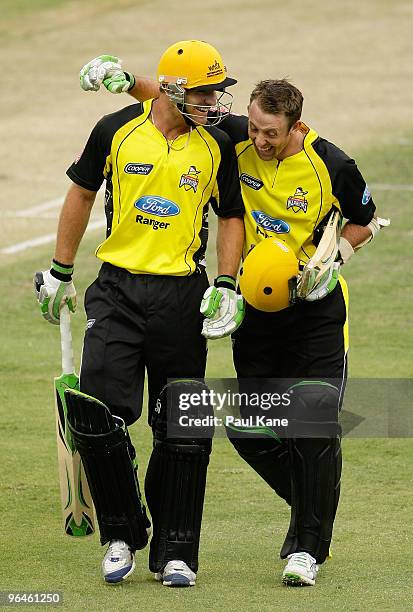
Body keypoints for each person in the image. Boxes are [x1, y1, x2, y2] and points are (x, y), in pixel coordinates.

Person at [80, 60, 388, 586]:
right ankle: (314, 495)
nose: (261, 140)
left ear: (296, 127)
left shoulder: (332, 164)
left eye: (272, 133)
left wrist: (332, 261)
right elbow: (181, 100)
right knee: (249, 430)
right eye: (255, 128)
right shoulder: (236, 136)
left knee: (311, 428)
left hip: (315, 313)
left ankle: (307, 548)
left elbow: (363, 222)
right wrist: (127, 79)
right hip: (255, 315)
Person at [34, 40, 245, 587]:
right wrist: (60, 269)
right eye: (203, 91)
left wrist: (226, 283)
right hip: (118, 291)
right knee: (97, 417)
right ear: (175, 89)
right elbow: (80, 194)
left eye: (217, 91)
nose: (213, 100)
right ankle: (121, 536)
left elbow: (230, 216)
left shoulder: (218, 143)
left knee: (184, 429)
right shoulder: (115, 130)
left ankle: (176, 552)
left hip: (181, 295)